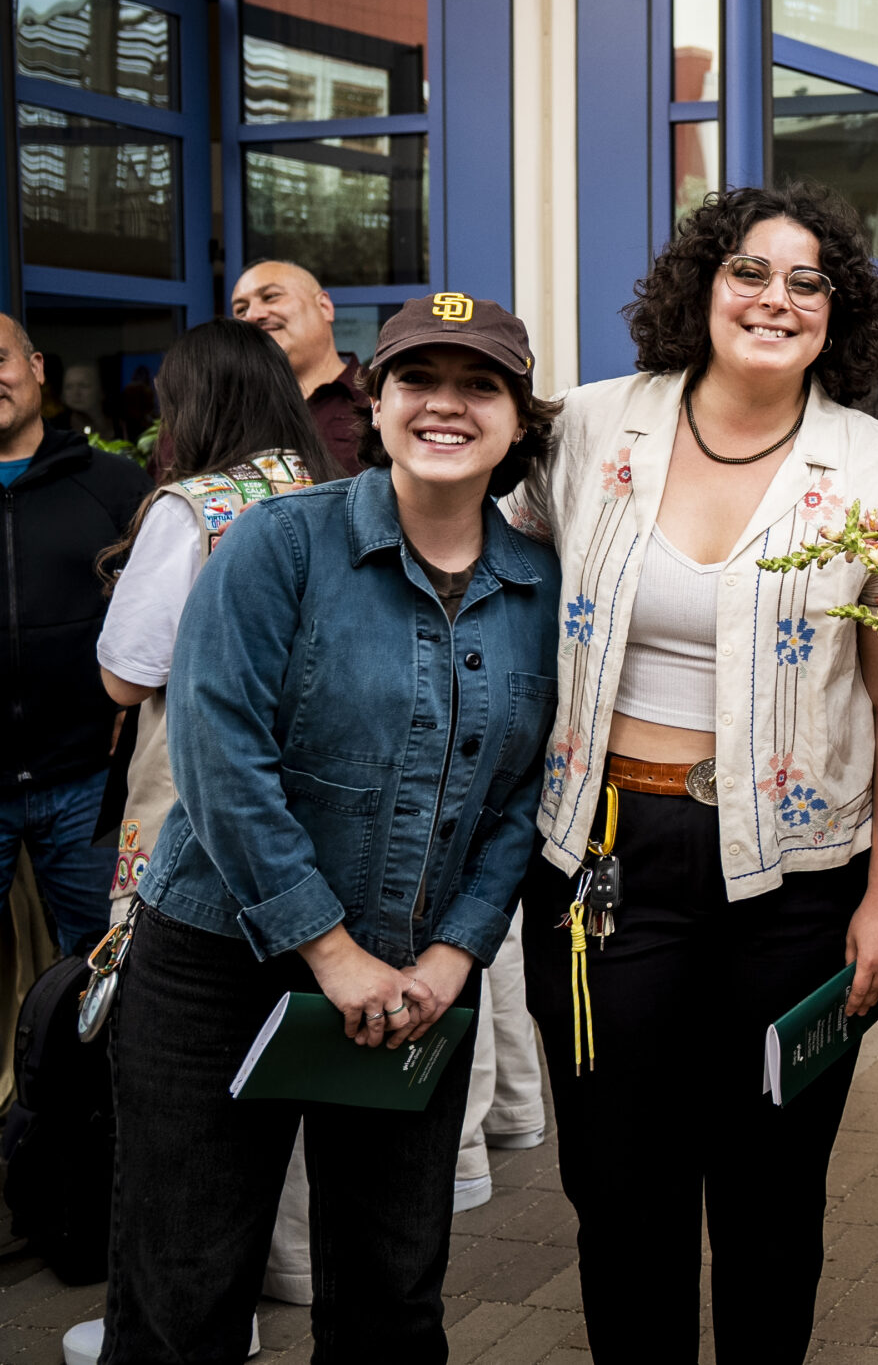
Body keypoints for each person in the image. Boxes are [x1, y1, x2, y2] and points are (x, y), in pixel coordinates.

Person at [513, 181, 878, 1363]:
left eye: (808, 282)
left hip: (799, 883)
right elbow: (489, 572)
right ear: (701, 286)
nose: (775, 299)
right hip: (604, 865)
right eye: (750, 270)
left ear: (836, 312)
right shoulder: (589, 427)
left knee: (772, 1199)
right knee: (621, 1193)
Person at [104, 292, 561, 1362]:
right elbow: (219, 756)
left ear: (516, 424)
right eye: (418, 380)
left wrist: (455, 955)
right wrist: (329, 949)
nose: (445, 404)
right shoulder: (280, 542)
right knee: (186, 1290)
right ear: (377, 402)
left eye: (480, 385)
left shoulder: (542, 589)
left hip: (414, 982)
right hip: (216, 964)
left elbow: (527, 795)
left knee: (392, 1296)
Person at [91, 319, 338, 925]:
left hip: (201, 809)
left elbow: (126, 681)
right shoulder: (342, 493)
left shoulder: (194, 509)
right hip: (323, 800)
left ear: (191, 407)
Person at [0, 311, 149, 958]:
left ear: (35, 368)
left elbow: (162, 616)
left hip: (87, 779)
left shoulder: (112, 483)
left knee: (101, 965)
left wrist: (134, 711)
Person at [233, 260, 368, 475]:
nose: (252, 315)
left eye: (270, 296)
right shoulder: (229, 409)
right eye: (241, 310)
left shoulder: (380, 397)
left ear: (324, 307)